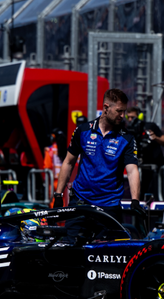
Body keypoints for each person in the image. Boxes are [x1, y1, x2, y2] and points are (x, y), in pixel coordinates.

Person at [53, 89, 141, 222]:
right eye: (119, 111)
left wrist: (135, 200)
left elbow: (132, 170)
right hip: (80, 201)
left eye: (124, 111)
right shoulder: (83, 130)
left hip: (109, 205)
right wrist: (58, 195)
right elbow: (68, 162)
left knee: (108, 243)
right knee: (72, 242)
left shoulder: (127, 138)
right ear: (106, 107)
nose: (123, 115)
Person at [125, 106, 164, 198]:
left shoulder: (150, 126)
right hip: (142, 167)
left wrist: (155, 138)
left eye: (133, 117)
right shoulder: (129, 130)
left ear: (139, 116)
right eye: (129, 117)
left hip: (157, 167)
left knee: (158, 192)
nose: (131, 120)